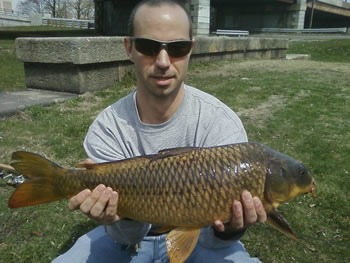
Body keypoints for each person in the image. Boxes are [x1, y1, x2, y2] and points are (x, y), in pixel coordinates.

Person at [53, 0, 267, 262]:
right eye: (148, 47)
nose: (163, 61)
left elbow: (214, 241)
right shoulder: (107, 129)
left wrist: (233, 227)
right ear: (129, 47)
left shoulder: (220, 123)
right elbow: (123, 236)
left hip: (201, 239)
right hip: (127, 242)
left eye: (177, 48)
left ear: (190, 50)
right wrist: (116, 215)